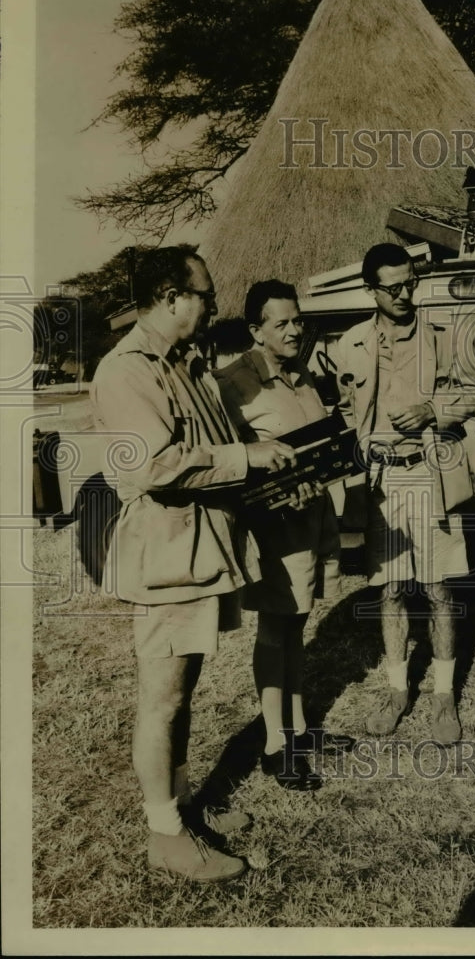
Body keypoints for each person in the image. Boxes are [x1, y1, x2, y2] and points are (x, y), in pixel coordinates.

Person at [90, 245, 297, 881]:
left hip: (198, 549)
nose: (212, 304)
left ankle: (181, 808)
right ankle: (165, 835)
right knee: (162, 697)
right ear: (171, 297)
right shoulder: (126, 370)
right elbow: (150, 465)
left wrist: (260, 462)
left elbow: (211, 447)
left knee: (184, 692)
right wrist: (248, 459)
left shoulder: (185, 364)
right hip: (166, 552)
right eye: (204, 293)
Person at [334, 243, 475, 745]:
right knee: (390, 590)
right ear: (369, 289)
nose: (403, 294)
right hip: (381, 483)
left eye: (409, 283)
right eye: (391, 286)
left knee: (438, 589)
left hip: (431, 475)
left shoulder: (442, 335)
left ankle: (443, 697)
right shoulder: (349, 343)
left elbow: (471, 392)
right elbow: (342, 411)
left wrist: (432, 410)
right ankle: (397, 692)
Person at [215, 281, 341, 792]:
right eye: (281, 323)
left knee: (297, 624)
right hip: (272, 525)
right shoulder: (233, 382)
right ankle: (274, 744)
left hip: (311, 515)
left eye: (297, 320)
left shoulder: (302, 374)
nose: (294, 330)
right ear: (255, 330)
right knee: (275, 627)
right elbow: (227, 457)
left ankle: (299, 728)